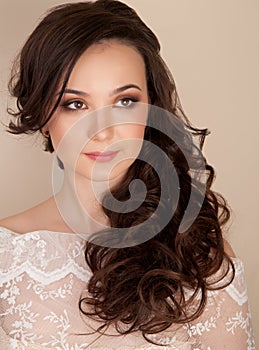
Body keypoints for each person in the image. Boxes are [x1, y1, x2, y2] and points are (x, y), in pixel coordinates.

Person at [0, 0, 255, 349]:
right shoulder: (6, 256)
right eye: (75, 104)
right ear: (43, 117)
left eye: (125, 102)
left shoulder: (195, 250)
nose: (102, 130)